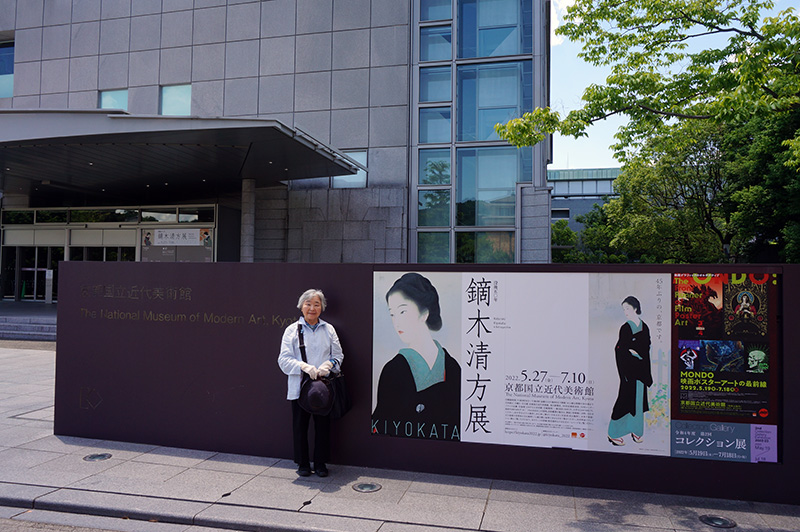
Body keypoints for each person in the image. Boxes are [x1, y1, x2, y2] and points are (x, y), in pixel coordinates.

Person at [371, 273, 460, 440]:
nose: (396, 322)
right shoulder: (394, 370)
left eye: (402, 311)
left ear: (424, 313)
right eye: (392, 314)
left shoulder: (452, 367)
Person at [278, 289, 343, 477]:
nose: (312, 308)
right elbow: (283, 360)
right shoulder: (291, 330)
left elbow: (338, 355)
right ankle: (303, 464)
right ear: (301, 306)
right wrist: (303, 367)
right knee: (300, 426)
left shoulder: (329, 329)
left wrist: (328, 365)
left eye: (316, 304)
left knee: (323, 427)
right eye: (308, 304)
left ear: (322, 308)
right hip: (300, 386)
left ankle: (321, 464)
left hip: (323, 388)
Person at [608, 296, 653, 446]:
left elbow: (646, 348)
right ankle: (613, 433)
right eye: (624, 309)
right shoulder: (625, 328)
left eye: (627, 308)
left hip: (641, 370)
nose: (625, 312)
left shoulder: (644, 327)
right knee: (624, 401)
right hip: (629, 371)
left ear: (635, 308)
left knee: (638, 402)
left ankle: (636, 430)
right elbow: (619, 349)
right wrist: (631, 352)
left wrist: (636, 351)